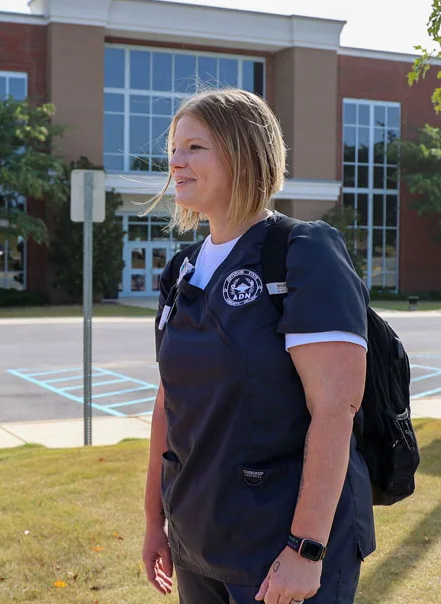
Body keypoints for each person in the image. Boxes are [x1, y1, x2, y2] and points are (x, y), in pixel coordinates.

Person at [141, 89, 375, 604]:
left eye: (195, 147)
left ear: (244, 153)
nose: (175, 161)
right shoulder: (180, 269)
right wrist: (155, 521)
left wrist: (307, 549)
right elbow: (168, 400)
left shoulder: (302, 252)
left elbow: (336, 408)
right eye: (174, 148)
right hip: (199, 541)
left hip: (283, 551)